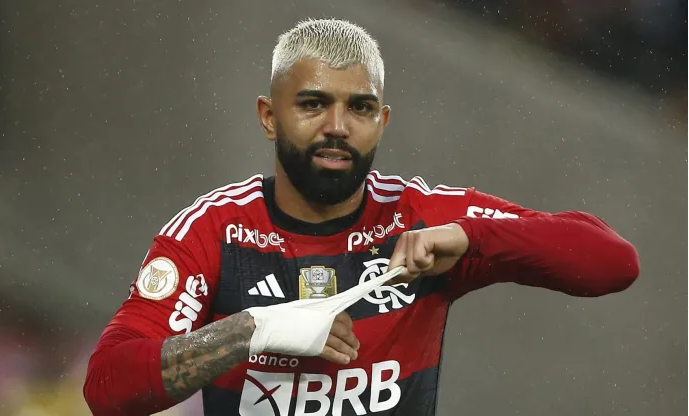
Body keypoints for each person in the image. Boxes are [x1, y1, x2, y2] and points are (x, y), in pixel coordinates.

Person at [83, 18, 640, 416]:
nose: (337, 126)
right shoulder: (212, 230)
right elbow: (107, 387)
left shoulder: (422, 218)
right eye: (312, 104)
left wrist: (470, 236)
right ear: (268, 117)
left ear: (383, 120)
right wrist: (254, 330)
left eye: (360, 107)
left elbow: (613, 263)